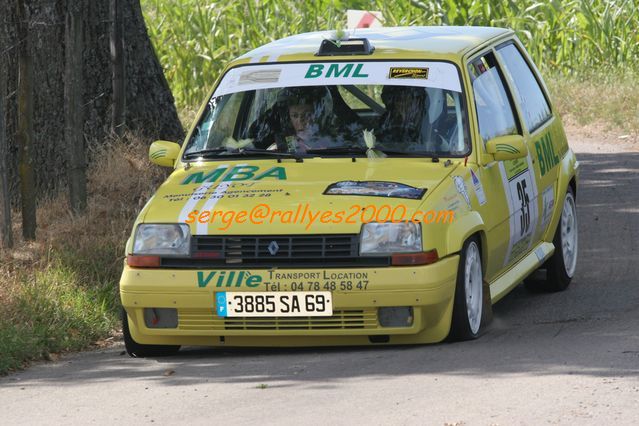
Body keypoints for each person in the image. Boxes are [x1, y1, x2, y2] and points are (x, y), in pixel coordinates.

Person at [376, 85, 429, 150]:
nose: (399, 103)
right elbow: (379, 140)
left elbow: (427, 143)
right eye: (397, 99)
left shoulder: (422, 119)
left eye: (402, 99)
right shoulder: (386, 119)